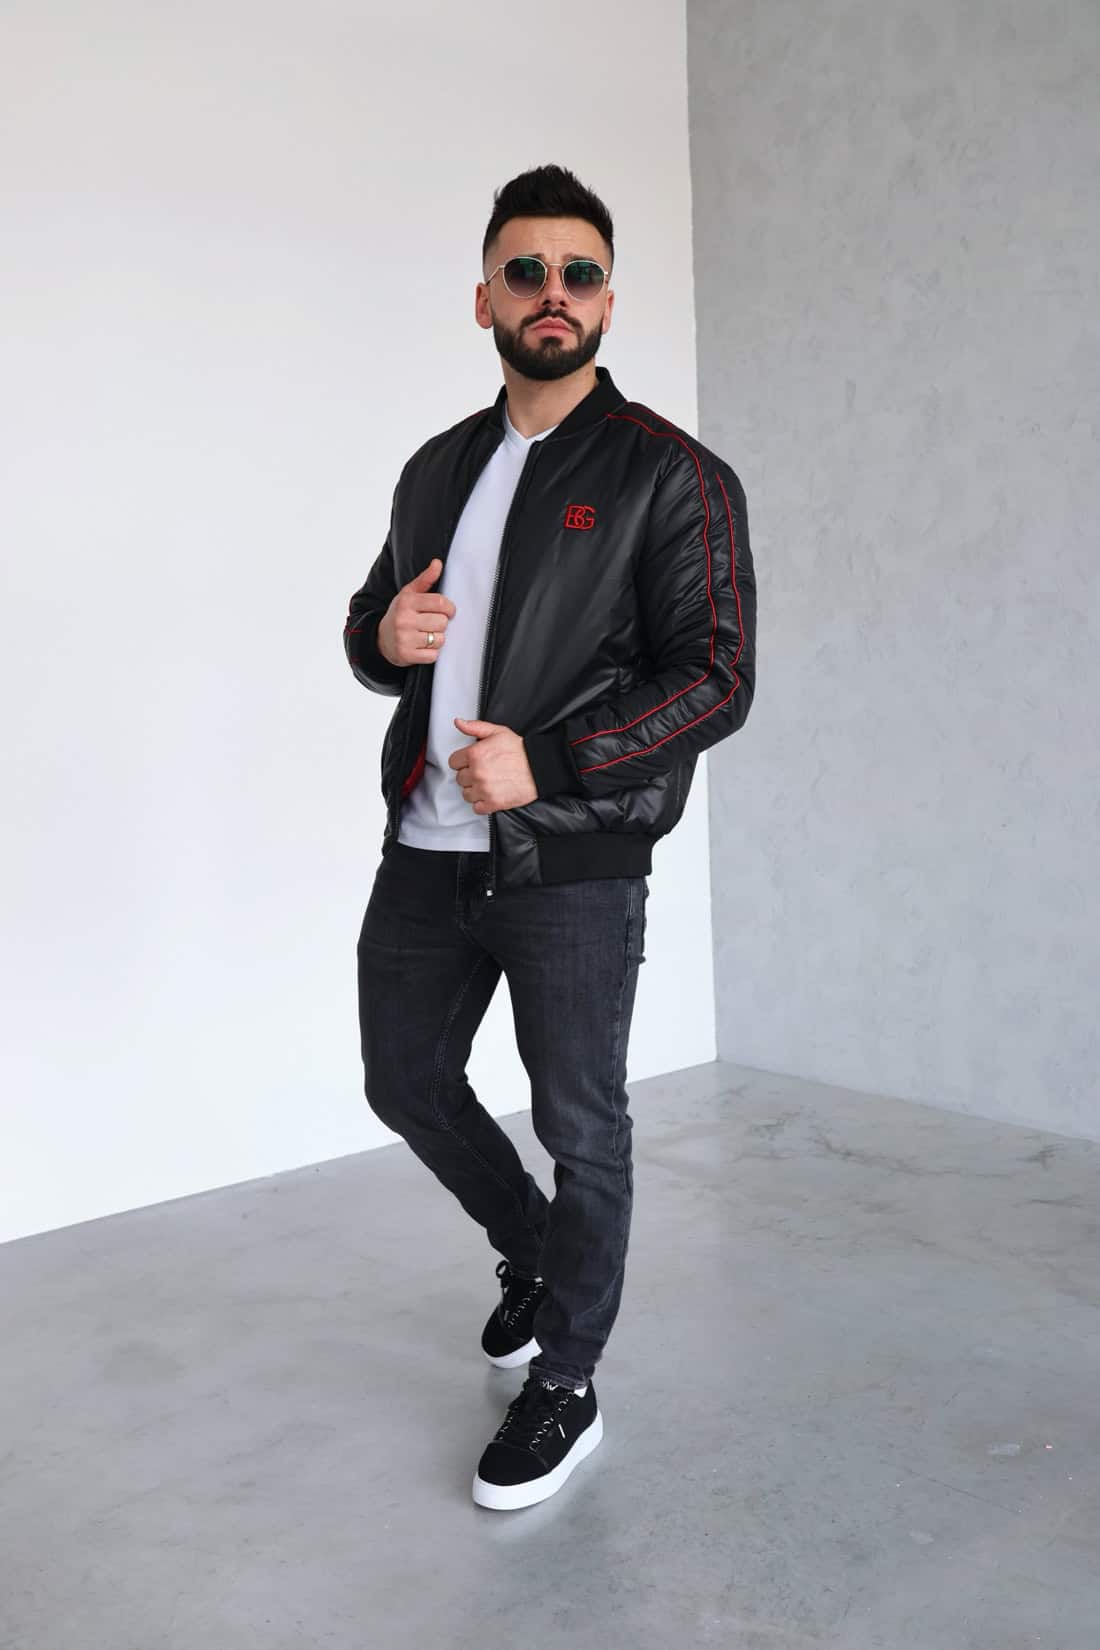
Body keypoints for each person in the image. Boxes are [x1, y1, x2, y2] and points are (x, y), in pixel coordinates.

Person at [343, 163, 756, 1511]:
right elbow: (373, 625)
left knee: (583, 1123)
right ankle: (535, 1251)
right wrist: (379, 637)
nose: (553, 293)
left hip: (571, 861)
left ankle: (567, 1380)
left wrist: (557, 764)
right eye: (525, 271)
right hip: (428, 845)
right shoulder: (436, 467)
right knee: (405, 1079)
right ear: (485, 299)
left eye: (579, 273)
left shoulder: (670, 475)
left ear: (609, 302)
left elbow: (716, 678)